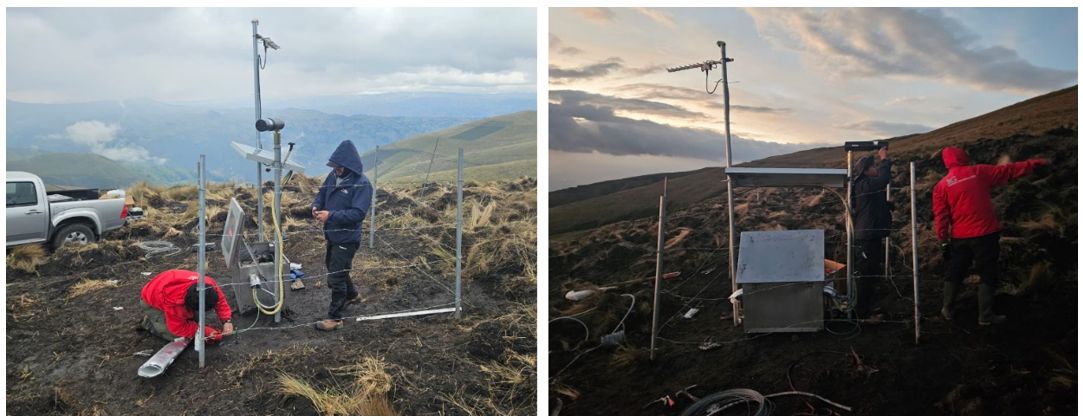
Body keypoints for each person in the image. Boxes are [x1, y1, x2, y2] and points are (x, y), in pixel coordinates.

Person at [933, 146, 1048, 326]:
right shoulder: (978, 171)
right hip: (985, 234)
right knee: (987, 272)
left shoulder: (941, 186)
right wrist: (1033, 164)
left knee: (956, 270)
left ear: (946, 162)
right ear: (963, 156)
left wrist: (943, 241)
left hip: (960, 237)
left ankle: (947, 308)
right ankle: (985, 316)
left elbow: (941, 217)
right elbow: (1007, 171)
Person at [311, 139, 373, 331]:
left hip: (347, 238)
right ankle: (352, 295)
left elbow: (358, 213)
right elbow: (322, 193)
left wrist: (331, 215)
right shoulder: (333, 176)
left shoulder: (362, 184)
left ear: (349, 166)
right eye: (334, 167)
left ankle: (335, 318)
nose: (336, 170)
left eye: (339, 168)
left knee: (336, 277)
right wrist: (316, 206)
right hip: (332, 235)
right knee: (335, 269)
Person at [851, 146, 892, 321]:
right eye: (873, 167)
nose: (876, 169)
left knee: (871, 273)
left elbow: (869, 208)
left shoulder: (865, 186)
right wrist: (884, 159)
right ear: (867, 171)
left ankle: (866, 307)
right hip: (867, 237)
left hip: (871, 236)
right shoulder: (864, 184)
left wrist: (888, 206)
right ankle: (862, 313)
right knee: (867, 275)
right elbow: (883, 179)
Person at [140, 269, 234, 342]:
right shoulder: (174, 303)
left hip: (163, 285)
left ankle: (168, 319)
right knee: (179, 337)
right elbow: (178, 328)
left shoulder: (207, 285)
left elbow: (220, 301)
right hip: (151, 301)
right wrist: (205, 331)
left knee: (194, 322)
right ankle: (149, 323)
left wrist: (226, 320)